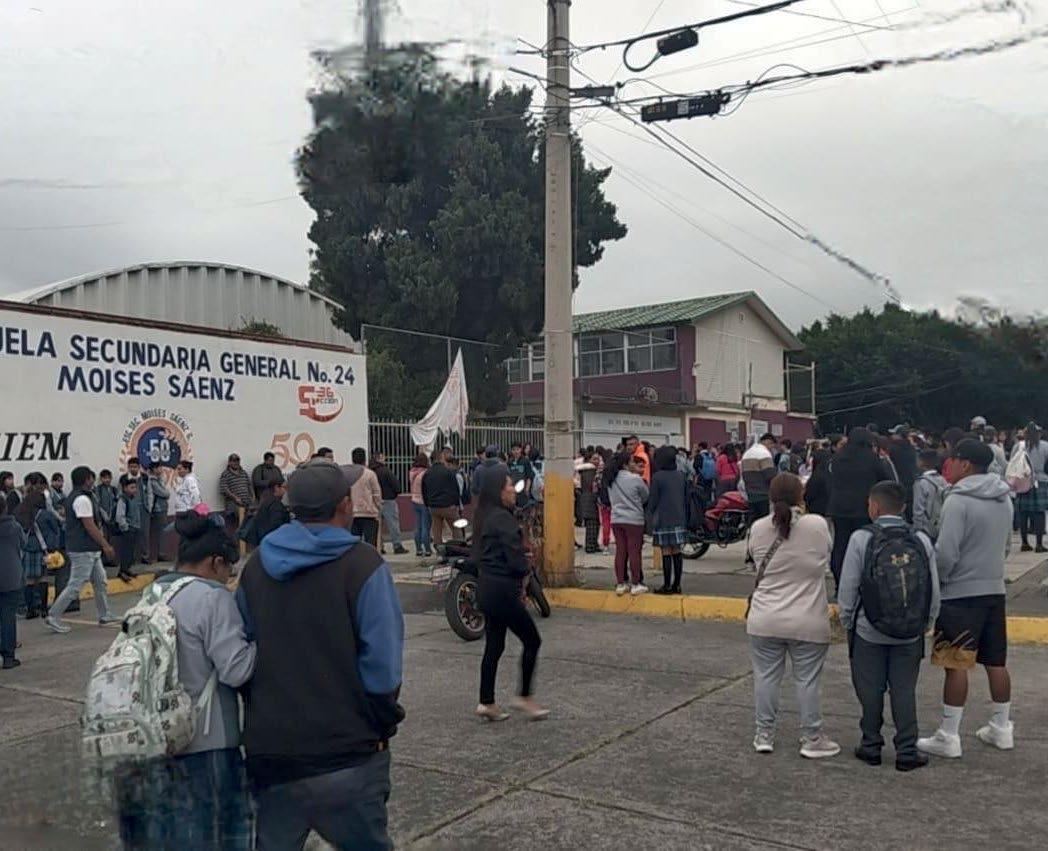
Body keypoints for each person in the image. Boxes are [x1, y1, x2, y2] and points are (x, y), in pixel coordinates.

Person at [236, 459, 405, 850]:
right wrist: (380, 724)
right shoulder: (363, 565)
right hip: (347, 755)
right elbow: (383, 670)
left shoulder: (256, 566)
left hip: (272, 755)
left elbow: (239, 653)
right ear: (345, 505)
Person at [114, 511, 255, 849]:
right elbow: (236, 669)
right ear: (215, 562)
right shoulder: (212, 597)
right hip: (205, 742)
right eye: (229, 569)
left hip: (153, 736)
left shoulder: (153, 592)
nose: (229, 578)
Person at [919, 439, 1016, 760]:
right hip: (994, 590)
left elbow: (946, 553)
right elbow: (1006, 546)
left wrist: (938, 580)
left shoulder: (958, 500)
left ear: (964, 464)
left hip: (960, 594)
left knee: (955, 664)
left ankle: (949, 735)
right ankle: (1001, 727)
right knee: (996, 661)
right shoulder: (1004, 498)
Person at [838, 482, 940, 772]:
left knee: (869, 689)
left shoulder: (861, 538)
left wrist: (848, 620)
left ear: (874, 507)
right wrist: (927, 621)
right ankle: (907, 750)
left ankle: (871, 745)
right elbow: (932, 587)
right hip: (910, 632)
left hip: (868, 629)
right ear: (903, 507)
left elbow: (849, 585)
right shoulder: (920, 539)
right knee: (904, 690)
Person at [745, 473, 838, 758]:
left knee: (765, 678)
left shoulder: (758, 528)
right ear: (801, 496)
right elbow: (827, 554)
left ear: (771, 497)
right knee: (808, 681)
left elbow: (755, 560)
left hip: (764, 619)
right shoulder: (817, 525)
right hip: (808, 620)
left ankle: (764, 734)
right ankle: (812, 737)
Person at [474, 469, 547, 723]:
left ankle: (486, 701)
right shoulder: (503, 520)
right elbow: (515, 560)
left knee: (495, 645)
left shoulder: (485, 517)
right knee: (532, 640)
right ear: (498, 491)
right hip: (503, 591)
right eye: (508, 485)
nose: (512, 490)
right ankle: (524, 696)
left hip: (486, 588)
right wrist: (525, 571)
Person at [45, 466, 118, 634]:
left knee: (100, 581)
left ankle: (105, 614)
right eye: (91, 478)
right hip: (83, 549)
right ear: (86, 480)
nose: (93, 481)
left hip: (90, 549)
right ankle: (53, 615)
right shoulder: (81, 499)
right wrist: (106, 545)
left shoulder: (80, 496)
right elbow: (89, 526)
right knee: (76, 585)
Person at [827, 428, 893, 589]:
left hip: (839, 507)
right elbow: (886, 479)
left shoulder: (838, 457)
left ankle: (839, 582)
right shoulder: (871, 458)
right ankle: (861, 582)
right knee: (864, 545)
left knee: (840, 545)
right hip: (863, 508)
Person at [607, 451, 649, 596]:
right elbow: (645, 496)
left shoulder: (610, 479)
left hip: (616, 519)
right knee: (634, 552)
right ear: (625, 464)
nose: (633, 464)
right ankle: (636, 583)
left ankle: (621, 583)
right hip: (634, 520)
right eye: (631, 462)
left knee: (621, 551)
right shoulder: (635, 479)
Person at [648, 445, 689, 595]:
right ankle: (677, 585)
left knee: (666, 551)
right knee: (677, 550)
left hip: (663, 518)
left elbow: (653, 501)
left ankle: (666, 585)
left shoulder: (657, 477)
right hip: (679, 517)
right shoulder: (681, 475)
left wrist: (649, 515)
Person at [16, 490, 61, 620]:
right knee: (43, 579)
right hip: (42, 549)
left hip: (27, 550)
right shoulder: (45, 515)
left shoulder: (21, 514)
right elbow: (55, 529)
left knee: (29, 581)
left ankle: (30, 610)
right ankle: (43, 609)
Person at [1012, 421, 1048, 553]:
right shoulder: (1045, 446)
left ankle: (1024, 543)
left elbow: (1012, 462)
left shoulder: (1018, 446)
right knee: (1039, 513)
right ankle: (1039, 544)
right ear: (1039, 433)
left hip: (1023, 481)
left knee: (1023, 512)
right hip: (1040, 480)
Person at [0, 498, 28, 669]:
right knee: (8, 617)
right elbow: (23, 543)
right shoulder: (14, 527)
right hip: (11, 577)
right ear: (5, 508)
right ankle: (8, 656)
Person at [422, 451, 461, 551]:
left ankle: (439, 550)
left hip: (434, 506)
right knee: (456, 527)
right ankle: (458, 548)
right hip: (448, 506)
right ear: (441, 458)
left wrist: (427, 504)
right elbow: (455, 489)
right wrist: (456, 503)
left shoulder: (427, 473)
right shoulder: (448, 472)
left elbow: (424, 490)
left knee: (437, 530)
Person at [371, 453, 407, 556]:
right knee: (393, 524)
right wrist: (396, 492)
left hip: (375, 500)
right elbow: (396, 485)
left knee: (377, 526)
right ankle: (397, 545)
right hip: (388, 500)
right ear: (378, 459)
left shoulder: (371, 471)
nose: (385, 459)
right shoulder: (385, 470)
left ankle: (379, 546)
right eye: (383, 457)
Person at [348, 448, 382, 548]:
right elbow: (376, 493)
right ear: (365, 459)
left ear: (352, 459)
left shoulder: (348, 474)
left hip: (352, 514)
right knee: (370, 543)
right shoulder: (370, 474)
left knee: (354, 544)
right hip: (369, 513)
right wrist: (379, 507)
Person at [241, 479, 290, 548]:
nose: (285, 491)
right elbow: (276, 525)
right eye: (284, 488)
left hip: (260, 540)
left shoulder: (266, 500)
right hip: (270, 542)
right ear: (276, 488)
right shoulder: (275, 504)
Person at [912, 449, 948, 541]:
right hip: (940, 524)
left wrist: (917, 528)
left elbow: (918, 508)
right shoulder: (942, 480)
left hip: (925, 528)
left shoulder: (921, 482)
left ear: (921, 462)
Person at [742, 434, 778, 521]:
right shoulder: (764, 454)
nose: (772, 449)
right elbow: (770, 475)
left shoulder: (747, 453)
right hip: (763, 494)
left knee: (753, 520)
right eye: (772, 446)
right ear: (768, 442)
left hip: (750, 493)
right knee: (763, 521)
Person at [114, 474, 141, 583]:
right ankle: (122, 571)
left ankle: (127, 569)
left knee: (131, 551)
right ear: (125, 488)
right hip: (128, 529)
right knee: (126, 551)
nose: (134, 490)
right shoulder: (123, 499)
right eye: (131, 487)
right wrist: (125, 527)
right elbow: (119, 516)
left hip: (135, 527)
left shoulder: (135, 498)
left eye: (135, 487)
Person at [219, 453, 255, 532]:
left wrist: (252, 496)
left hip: (246, 504)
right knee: (235, 528)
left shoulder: (243, 472)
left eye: (237, 461)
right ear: (229, 462)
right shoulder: (225, 474)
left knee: (247, 526)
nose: (236, 463)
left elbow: (249, 485)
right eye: (233, 461)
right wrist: (235, 497)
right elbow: (224, 489)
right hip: (233, 506)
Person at [126, 458, 153, 564]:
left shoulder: (145, 478)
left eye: (135, 467)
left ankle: (145, 556)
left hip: (143, 508)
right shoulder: (124, 478)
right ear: (128, 467)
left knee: (145, 534)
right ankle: (131, 557)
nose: (133, 469)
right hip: (130, 510)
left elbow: (150, 492)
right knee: (131, 534)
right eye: (131, 467)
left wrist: (149, 507)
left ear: (139, 467)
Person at [887, 425, 918, 515]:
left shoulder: (892, 449)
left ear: (899, 435)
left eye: (894, 434)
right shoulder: (912, 449)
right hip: (912, 483)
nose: (892, 436)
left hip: (898, 484)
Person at [146, 462, 171, 563]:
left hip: (162, 508)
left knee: (161, 531)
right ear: (154, 469)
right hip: (158, 509)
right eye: (159, 468)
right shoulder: (152, 481)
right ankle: (161, 553)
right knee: (161, 531)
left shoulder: (159, 479)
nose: (161, 470)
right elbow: (165, 493)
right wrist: (167, 493)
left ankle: (161, 553)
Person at [409, 454, 432, 558]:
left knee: (418, 526)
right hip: (424, 501)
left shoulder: (412, 472)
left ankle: (418, 549)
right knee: (425, 526)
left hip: (414, 500)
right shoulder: (425, 473)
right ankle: (427, 549)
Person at [803, 449, 832, 518]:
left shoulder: (817, 475)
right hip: (829, 510)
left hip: (816, 510)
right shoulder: (830, 473)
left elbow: (809, 494)